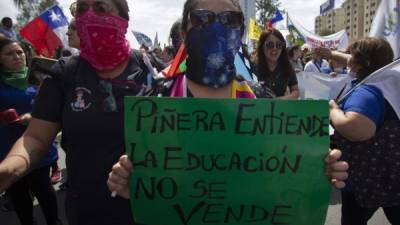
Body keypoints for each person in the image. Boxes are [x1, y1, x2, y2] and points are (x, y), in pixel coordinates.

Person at [107, 0, 348, 200]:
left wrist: (319, 169)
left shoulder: (262, 101)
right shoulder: (155, 101)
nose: (216, 28)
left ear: (240, 32)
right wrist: (130, 185)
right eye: (202, 18)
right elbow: (143, 177)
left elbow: (285, 169)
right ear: (184, 32)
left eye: (230, 19)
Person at [0, 0, 148, 224]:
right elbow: (36, 137)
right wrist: (10, 166)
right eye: (82, 9)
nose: (89, 16)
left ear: (123, 18)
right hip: (87, 208)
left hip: (145, 204)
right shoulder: (64, 73)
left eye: (100, 8)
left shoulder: (148, 69)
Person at [324, 38, 400, 225]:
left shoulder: (368, 90)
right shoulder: (391, 80)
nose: (349, 59)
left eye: (353, 56)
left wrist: (333, 111)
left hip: (365, 179)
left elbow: (357, 128)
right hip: (393, 176)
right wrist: (330, 54)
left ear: (359, 63)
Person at [0, 38, 61, 225]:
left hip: (38, 150)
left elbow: (56, 108)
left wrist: (32, 116)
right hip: (7, 150)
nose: (17, 56)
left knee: (46, 193)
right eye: (9, 54)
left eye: (19, 52)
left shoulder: (40, 78)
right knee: (19, 197)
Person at [256, 28, 300, 99]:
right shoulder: (253, 67)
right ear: (262, 47)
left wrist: (282, 99)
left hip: (281, 109)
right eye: (270, 45)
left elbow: (295, 91)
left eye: (279, 45)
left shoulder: (287, 67)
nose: (275, 48)